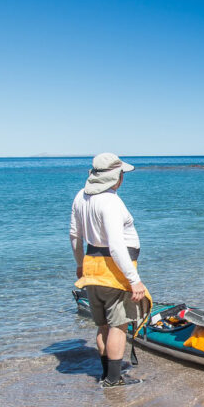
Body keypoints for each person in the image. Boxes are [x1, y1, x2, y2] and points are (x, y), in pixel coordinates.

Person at [69, 152, 148, 387]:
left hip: (92, 267)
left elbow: (75, 236)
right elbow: (116, 245)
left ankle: (106, 374)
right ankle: (114, 380)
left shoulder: (80, 197)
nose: (122, 178)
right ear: (117, 177)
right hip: (113, 271)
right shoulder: (111, 201)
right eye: (121, 173)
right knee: (118, 326)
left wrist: (80, 264)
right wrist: (134, 280)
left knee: (103, 325)